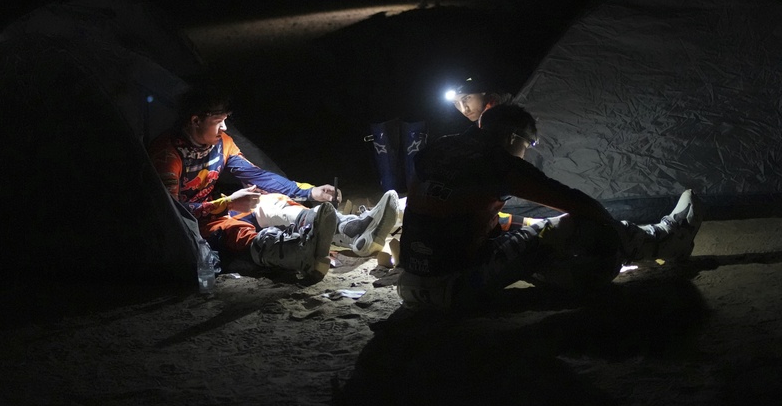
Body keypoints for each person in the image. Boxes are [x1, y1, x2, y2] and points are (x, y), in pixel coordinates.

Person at [397, 103, 703, 309]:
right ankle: (664, 240)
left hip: (411, 285)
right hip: (454, 288)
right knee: (569, 223)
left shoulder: (437, 149)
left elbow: (448, 212)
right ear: (512, 137)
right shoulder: (499, 162)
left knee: (512, 223)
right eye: (528, 145)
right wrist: (611, 229)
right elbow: (578, 203)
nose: (527, 153)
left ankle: (564, 272)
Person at [149, 86, 399, 283]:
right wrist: (226, 203)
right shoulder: (167, 155)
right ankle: (296, 252)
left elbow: (258, 176)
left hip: (215, 211)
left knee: (270, 200)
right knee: (235, 231)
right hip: (191, 232)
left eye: (226, 120)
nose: (224, 128)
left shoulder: (221, 143)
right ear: (195, 121)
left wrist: (308, 191)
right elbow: (174, 214)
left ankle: (352, 229)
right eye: (219, 121)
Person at [444, 75, 513, 124]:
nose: (464, 110)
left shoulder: (512, 110)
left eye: (466, 98)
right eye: (456, 103)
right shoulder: (484, 124)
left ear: (482, 91)